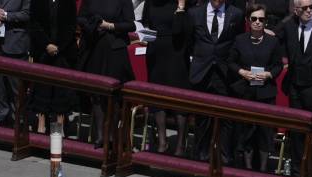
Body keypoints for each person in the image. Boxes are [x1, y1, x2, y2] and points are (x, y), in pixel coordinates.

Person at [228, 4, 285, 172]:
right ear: (248, 20)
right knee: (246, 130)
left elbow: (278, 65)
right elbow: (231, 61)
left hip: (265, 93)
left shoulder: (273, 42)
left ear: (265, 22)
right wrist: (242, 72)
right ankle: (247, 168)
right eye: (254, 19)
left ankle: (263, 169)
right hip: (245, 92)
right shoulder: (240, 40)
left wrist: (268, 74)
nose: (258, 22)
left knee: (264, 132)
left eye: (261, 19)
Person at [280, 0, 312, 177]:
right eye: (305, 8)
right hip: (295, 86)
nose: (309, 11)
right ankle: (296, 171)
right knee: (296, 130)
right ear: (296, 10)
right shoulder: (288, 27)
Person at [189, 0, 245, 162]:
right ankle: (200, 154)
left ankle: (224, 156)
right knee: (202, 115)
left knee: (226, 116)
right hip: (202, 70)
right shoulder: (195, 13)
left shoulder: (236, 13)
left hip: (224, 71)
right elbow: (190, 40)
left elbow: (237, 42)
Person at [77, 0, 135, 146]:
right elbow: (80, 17)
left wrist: (109, 26)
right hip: (94, 48)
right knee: (96, 94)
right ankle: (100, 135)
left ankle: (112, 135)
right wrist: (92, 24)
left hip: (114, 51)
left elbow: (130, 24)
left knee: (112, 96)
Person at [143, 0, 192, 155]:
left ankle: (180, 145)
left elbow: (181, 30)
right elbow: (146, 24)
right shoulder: (150, 3)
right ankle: (162, 142)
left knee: (178, 100)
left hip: (176, 53)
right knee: (158, 99)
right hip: (156, 54)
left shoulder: (182, 4)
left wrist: (181, 8)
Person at [27, 0, 78, 134]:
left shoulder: (69, 2)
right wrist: (47, 45)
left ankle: (59, 126)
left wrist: (59, 47)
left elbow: (71, 26)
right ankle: (41, 124)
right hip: (43, 51)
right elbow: (34, 24)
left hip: (63, 53)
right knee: (42, 88)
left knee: (61, 90)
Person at [0, 0, 31, 126]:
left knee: (17, 87)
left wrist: (5, 15)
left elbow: (27, 13)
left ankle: (18, 119)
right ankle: (0, 116)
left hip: (15, 43)